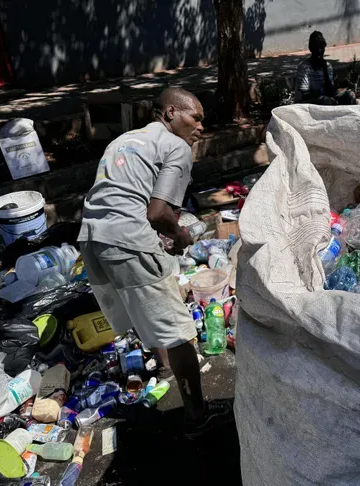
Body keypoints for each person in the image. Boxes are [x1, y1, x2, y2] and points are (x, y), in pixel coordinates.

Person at [78, 87, 231, 439]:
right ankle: (197, 416)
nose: (200, 127)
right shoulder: (176, 146)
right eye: (195, 117)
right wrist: (179, 236)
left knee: (148, 308)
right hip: (128, 238)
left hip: (94, 238)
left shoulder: (125, 140)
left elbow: (126, 198)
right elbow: (158, 212)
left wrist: (159, 233)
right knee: (180, 333)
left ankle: (164, 368)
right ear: (171, 112)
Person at [295, 31, 356, 106]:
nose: (320, 51)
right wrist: (324, 98)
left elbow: (331, 92)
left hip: (325, 98)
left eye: (322, 48)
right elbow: (305, 94)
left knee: (350, 95)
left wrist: (325, 70)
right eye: (316, 48)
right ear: (311, 49)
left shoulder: (328, 66)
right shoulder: (304, 67)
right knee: (327, 101)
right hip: (306, 103)